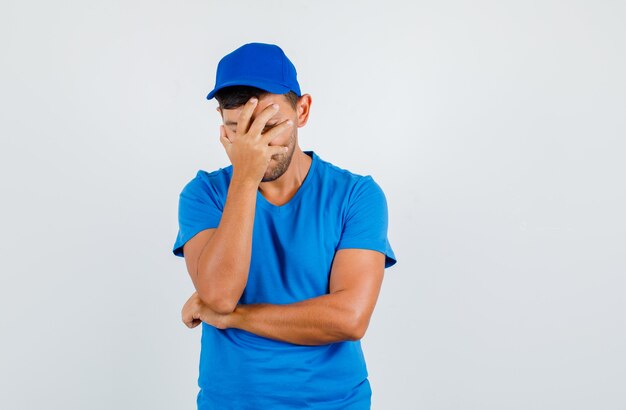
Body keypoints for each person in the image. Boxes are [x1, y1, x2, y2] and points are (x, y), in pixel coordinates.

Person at [172, 42, 397, 410]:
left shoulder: (357, 195)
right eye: (237, 130)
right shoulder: (204, 195)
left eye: (269, 125)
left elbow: (349, 318)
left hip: (334, 402)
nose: (256, 144)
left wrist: (235, 317)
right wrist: (245, 176)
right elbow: (219, 296)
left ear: (302, 110)